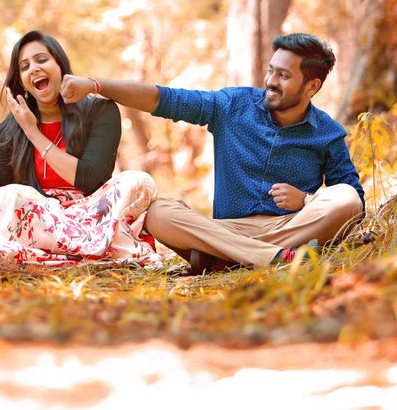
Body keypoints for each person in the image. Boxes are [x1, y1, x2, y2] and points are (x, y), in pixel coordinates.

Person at [60, 33, 364, 274]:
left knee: (345, 198)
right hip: (226, 229)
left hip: (292, 225)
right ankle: (271, 257)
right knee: (157, 212)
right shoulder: (233, 105)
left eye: (283, 76)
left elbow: (355, 201)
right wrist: (95, 85)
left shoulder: (328, 132)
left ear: (311, 86)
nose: (271, 81)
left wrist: (306, 200)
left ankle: (228, 257)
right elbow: (164, 99)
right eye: (271, 71)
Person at [0, 30, 160, 265]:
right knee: (9, 195)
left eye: (41, 60)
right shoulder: (10, 129)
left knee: (137, 180)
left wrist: (33, 133)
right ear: (23, 83)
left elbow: (87, 178)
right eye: (25, 66)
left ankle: (68, 248)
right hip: (42, 222)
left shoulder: (99, 111)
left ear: (60, 66)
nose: (34, 69)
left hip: (92, 218)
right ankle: (88, 250)